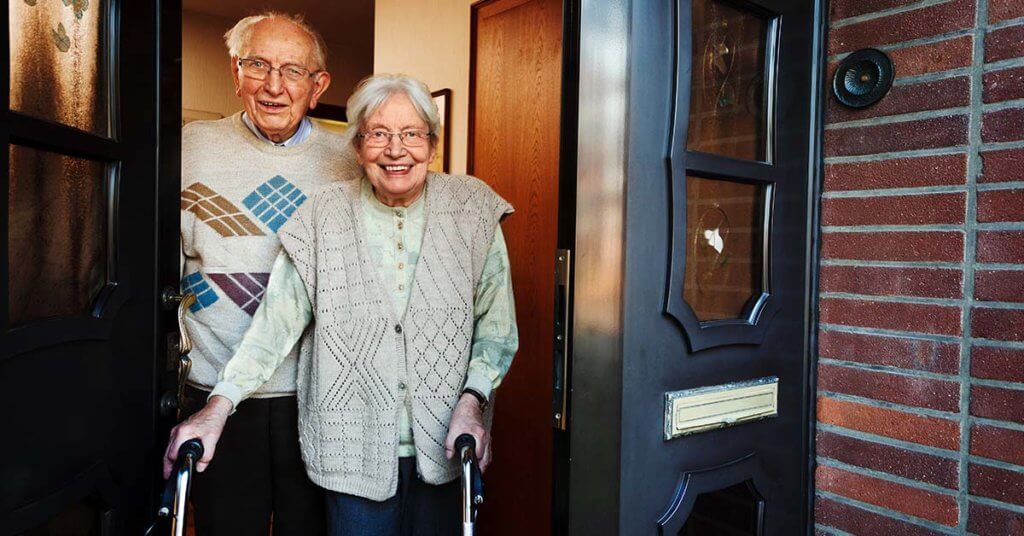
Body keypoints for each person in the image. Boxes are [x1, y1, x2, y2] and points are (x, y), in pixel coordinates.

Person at [166, 73, 519, 535]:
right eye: (378, 134)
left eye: (411, 134)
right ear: (357, 149)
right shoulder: (322, 215)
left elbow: (496, 327)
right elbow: (276, 325)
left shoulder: (473, 210)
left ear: (432, 146)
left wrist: (473, 401)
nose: (396, 150)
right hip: (352, 452)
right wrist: (217, 406)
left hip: (450, 446)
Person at [169, 11, 354, 535]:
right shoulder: (188, 146)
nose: (274, 85)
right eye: (258, 65)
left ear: (318, 86)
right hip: (215, 390)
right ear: (235, 73)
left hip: (317, 393)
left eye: (293, 71)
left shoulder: (349, 160)